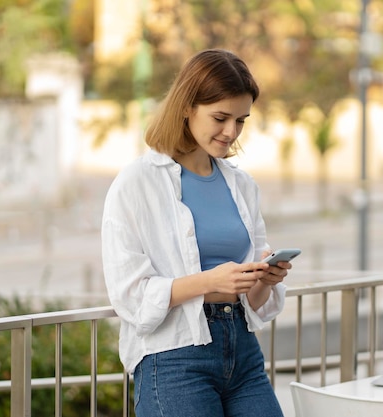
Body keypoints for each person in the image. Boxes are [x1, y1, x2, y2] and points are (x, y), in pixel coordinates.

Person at [101, 49, 292, 417]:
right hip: (174, 359)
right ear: (187, 107)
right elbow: (130, 295)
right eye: (220, 117)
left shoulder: (241, 185)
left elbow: (253, 302)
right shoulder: (136, 184)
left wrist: (265, 278)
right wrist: (208, 281)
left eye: (241, 120)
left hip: (243, 352)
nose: (231, 132)